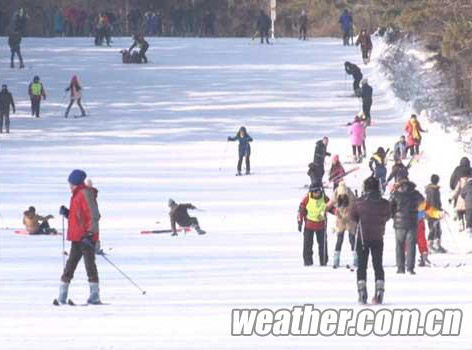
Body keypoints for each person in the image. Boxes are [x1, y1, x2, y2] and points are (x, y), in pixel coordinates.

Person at [57, 169, 101, 305]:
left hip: (86, 237)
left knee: (89, 266)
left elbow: (94, 215)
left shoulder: (85, 194)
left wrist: (90, 234)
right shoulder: (76, 195)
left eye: (71, 183)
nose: (69, 186)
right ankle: (62, 296)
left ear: (76, 183)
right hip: (77, 237)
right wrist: (67, 213)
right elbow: (78, 216)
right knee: (70, 265)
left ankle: (94, 296)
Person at [351, 176, 391, 304]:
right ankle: (379, 290)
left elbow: (353, 217)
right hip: (378, 238)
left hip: (362, 238)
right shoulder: (385, 203)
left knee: (361, 266)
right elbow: (389, 215)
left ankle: (362, 291)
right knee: (378, 265)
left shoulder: (359, 202)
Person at [390, 179, 424, 274]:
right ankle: (410, 268)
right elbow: (423, 203)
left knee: (399, 246)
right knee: (411, 246)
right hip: (412, 223)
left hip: (399, 224)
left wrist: (394, 216)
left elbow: (390, 207)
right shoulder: (416, 194)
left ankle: (400, 268)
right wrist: (419, 214)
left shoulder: (396, 194)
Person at [297, 184, 335, 266]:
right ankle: (308, 262)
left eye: (318, 191)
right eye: (314, 191)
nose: (316, 193)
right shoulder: (307, 198)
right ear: (311, 192)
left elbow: (331, 207)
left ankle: (323, 261)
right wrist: (300, 222)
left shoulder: (324, 198)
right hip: (309, 225)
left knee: (322, 244)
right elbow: (301, 210)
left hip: (321, 225)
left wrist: (338, 213)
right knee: (307, 244)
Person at [329, 182, 357, 268]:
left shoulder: (351, 196)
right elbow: (330, 204)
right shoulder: (336, 193)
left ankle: (356, 260)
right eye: (340, 196)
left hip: (350, 220)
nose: (342, 197)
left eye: (344, 195)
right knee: (339, 240)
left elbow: (356, 204)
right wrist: (327, 210)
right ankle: (336, 260)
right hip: (340, 220)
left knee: (352, 240)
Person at [425, 174, 446, 253]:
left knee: (434, 228)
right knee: (435, 228)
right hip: (433, 211)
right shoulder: (434, 190)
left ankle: (433, 244)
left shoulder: (431, 189)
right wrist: (438, 211)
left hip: (430, 211)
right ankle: (433, 245)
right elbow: (434, 202)